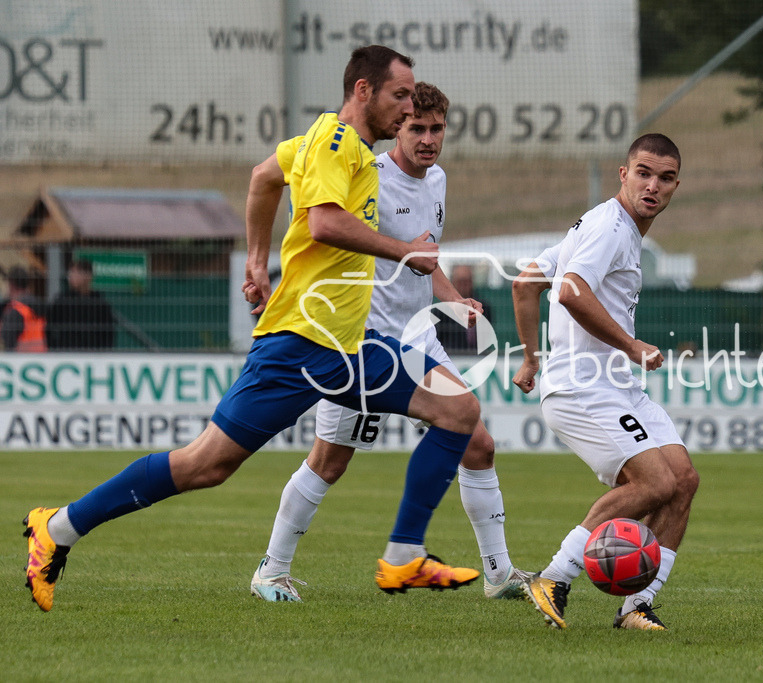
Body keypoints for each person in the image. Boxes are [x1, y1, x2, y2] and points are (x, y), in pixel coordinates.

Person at [23, 45, 482, 613]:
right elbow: (323, 223)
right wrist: (403, 251)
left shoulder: (330, 144)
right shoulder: (337, 143)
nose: (407, 105)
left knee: (459, 411)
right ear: (363, 91)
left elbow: (264, 177)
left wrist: (255, 259)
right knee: (204, 465)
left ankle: (404, 555)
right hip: (300, 342)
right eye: (399, 95)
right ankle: (59, 527)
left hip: (347, 345)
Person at [248, 82, 531, 602]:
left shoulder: (438, 179)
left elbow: (424, 261)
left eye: (436, 129)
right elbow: (318, 227)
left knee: (479, 443)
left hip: (419, 332)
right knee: (329, 461)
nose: (427, 139)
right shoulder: (368, 176)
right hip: (365, 340)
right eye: (415, 128)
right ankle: (271, 570)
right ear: (395, 127)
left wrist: (451, 300)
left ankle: (499, 575)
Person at [511, 134, 699, 631]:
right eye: (643, 172)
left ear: (677, 185)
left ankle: (636, 606)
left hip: (611, 386)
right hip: (582, 386)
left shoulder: (602, 225)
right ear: (623, 173)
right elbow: (570, 292)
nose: (652, 185)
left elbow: (527, 282)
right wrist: (632, 346)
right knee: (655, 482)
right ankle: (553, 576)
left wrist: (530, 361)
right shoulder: (610, 227)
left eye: (664, 177)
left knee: (681, 482)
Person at [46, 259, 117, 350]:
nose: (71, 277)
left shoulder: (99, 303)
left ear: (88, 276)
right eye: (70, 273)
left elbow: (107, 332)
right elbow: (50, 327)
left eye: (76, 273)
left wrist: (103, 353)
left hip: (93, 355)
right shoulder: (62, 301)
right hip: (66, 353)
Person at [435, 264, 491, 353]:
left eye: (467, 281)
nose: (464, 285)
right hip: (450, 354)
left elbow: (487, 336)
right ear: (453, 282)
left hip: (477, 354)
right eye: (460, 281)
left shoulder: (483, 307)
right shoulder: (441, 311)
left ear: (472, 282)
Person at [1, 266, 47, 352]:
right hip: (43, 358)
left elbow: (8, 342)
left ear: (11, 285)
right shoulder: (41, 306)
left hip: (21, 360)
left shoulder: (15, 311)